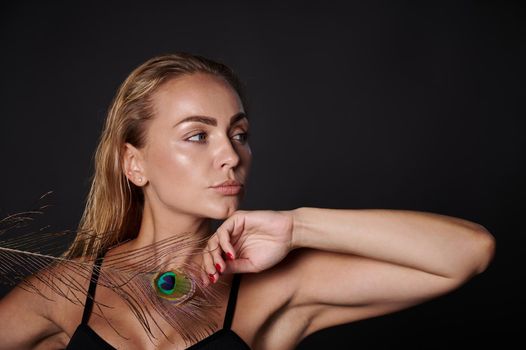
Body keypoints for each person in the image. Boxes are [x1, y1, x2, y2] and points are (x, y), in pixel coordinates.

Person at [0, 52, 496, 349]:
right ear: (134, 163)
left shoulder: (275, 287)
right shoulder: (65, 291)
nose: (230, 156)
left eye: (239, 134)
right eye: (198, 135)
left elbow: (469, 251)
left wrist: (298, 227)